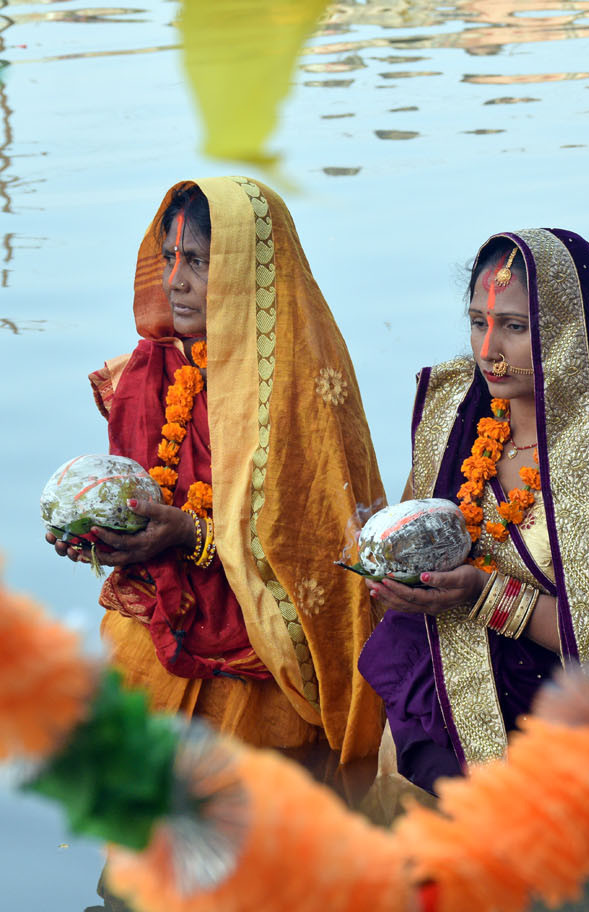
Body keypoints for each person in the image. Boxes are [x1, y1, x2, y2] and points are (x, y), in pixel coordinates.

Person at [358, 228, 589, 804]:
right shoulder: (456, 411)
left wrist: (482, 594)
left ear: (565, 331)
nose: (489, 350)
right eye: (477, 322)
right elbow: (420, 530)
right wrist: (385, 559)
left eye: (515, 326)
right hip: (444, 698)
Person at [47, 177, 385, 762]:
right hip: (152, 646)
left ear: (247, 271)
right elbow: (136, 492)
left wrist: (193, 535)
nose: (174, 281)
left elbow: (323, 551)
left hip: (261, 668)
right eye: (169, 257)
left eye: (198, 261)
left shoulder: (297, 388)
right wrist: (99, 536)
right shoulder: (148, 372)